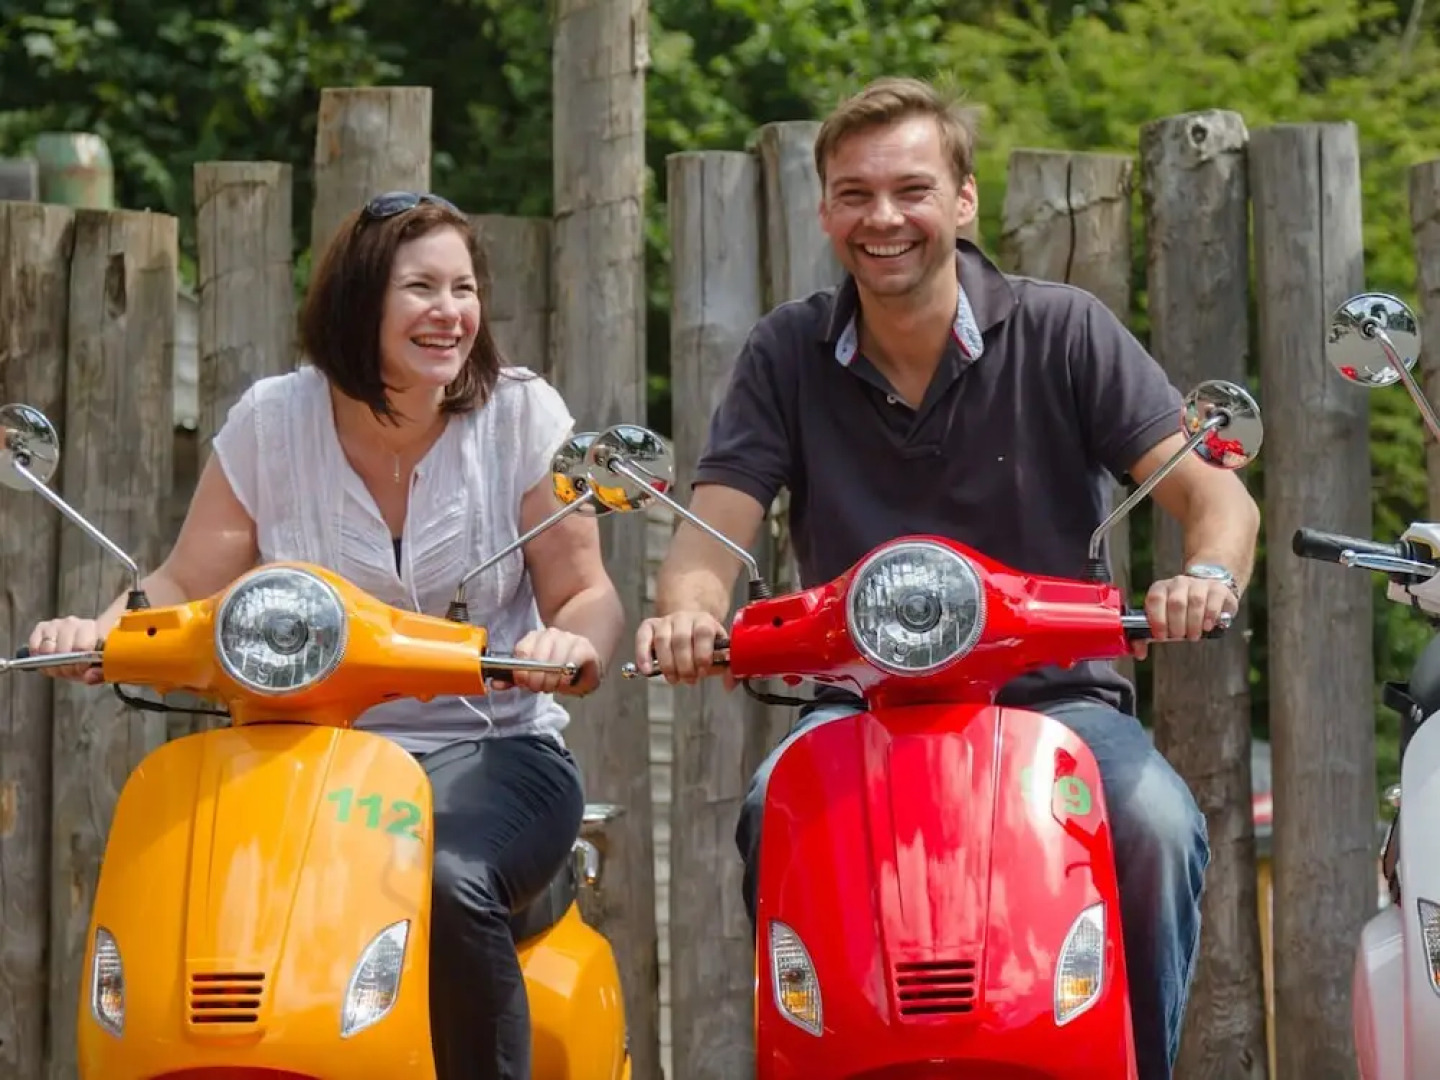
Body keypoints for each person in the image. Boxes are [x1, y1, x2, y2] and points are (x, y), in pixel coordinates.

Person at [634, 77, 1260, 1079]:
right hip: (859, 704)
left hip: (1056, 702)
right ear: (825, 209)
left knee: (1152, 824)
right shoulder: (786, 353)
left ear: (963, 201)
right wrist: (689, 617)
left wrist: (1207, 581)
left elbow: (1218, 502)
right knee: (771, 809)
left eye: (912, 189)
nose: (884, 218)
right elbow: (709, 543)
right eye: (854, 193)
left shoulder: (1063, 331)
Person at [29, 190, 625, 1080]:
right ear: (357, 300)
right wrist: (101, 632)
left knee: (443, 882)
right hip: (299, 758)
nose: (450, 312)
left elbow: (586, 593)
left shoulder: (521, 417)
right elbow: (188, 584)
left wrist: (566, 647)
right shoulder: (275, 422)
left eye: (464, 288)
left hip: (491, 746)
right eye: (420, 287)